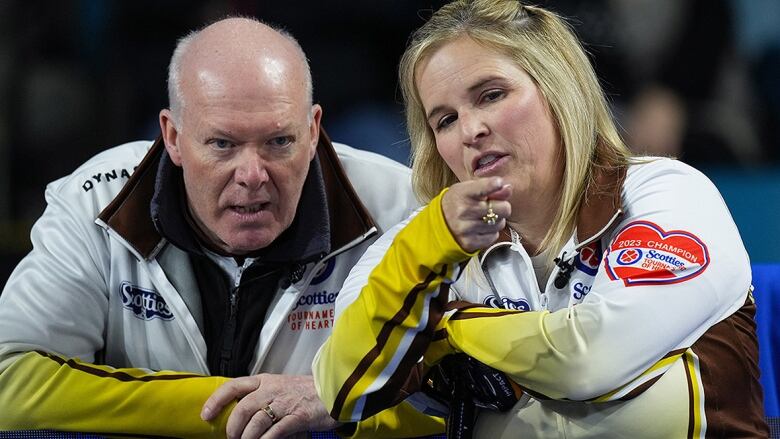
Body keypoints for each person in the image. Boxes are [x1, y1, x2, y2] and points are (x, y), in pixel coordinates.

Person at [313, 0, 769, 437]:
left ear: (557, 86)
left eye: (491, 95)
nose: (471, 131)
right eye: (445, 120)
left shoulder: (664, 193)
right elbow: (343, 389)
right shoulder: (424, 245)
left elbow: (589, 360)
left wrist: (445, 330)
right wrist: (430, 246)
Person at [0, 17, 419, 438]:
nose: (252, 174)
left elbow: (461, 396)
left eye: (279, 141)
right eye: (223, 144)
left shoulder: (397, 206)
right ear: (173, 136)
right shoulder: (94, 202)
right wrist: (262, 406)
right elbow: (10, 380)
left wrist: (330, 400)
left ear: (312, 131)